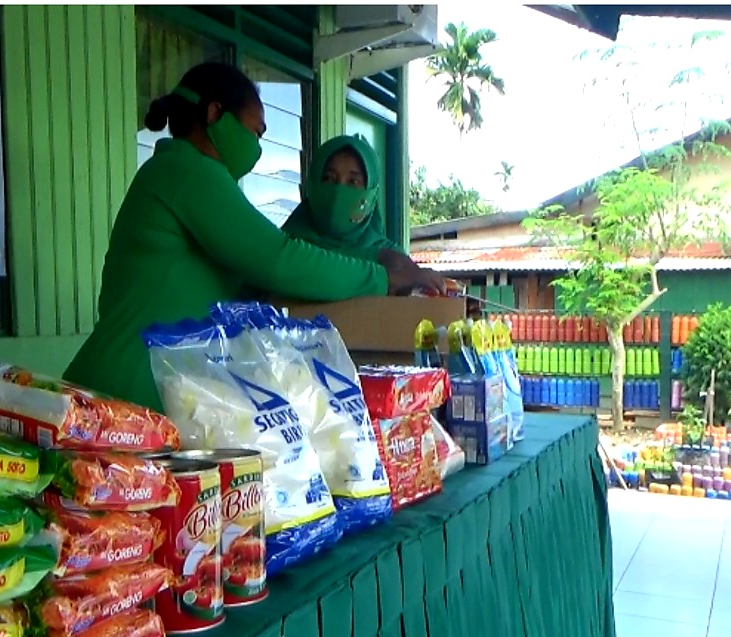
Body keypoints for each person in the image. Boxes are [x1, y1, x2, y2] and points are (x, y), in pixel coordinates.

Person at [63, 63, 445, 411]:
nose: (258, 146)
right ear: (215, 115)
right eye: (256, 131)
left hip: (146, 387)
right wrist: (378, 275)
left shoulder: (178, 174)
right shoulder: (190, 173)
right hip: (124, 387)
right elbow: (278, 260)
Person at [281, 135, 445, 290]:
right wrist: (379, 267)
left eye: (353, 181)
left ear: (371, 193)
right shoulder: (282, 249)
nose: (339, 191)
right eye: (329, 178)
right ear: (313, 183)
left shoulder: (397, 262)